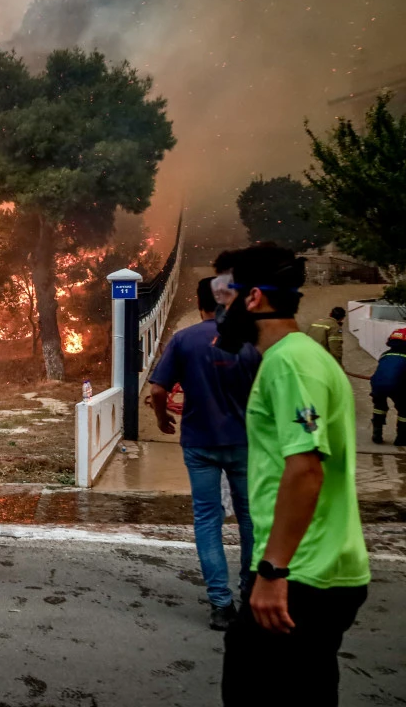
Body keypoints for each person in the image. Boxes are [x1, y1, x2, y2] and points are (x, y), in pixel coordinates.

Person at [218, 245, 369, 707]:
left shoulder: (287, 363)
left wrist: (272, 570)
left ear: (254, 298)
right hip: (322, 568)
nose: (221, 305)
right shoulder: (307, 356)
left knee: (253, 688)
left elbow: (305, 471)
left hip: (304, 572)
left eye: (226, 293)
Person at [149, 277, 259, 629]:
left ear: (200, 305)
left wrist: (163, 417)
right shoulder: (250, 341)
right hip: (244, 444)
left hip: (200, 444)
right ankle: (252, 596)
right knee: (249, 519)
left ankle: (220, 605)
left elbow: (157, 388)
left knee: (208, 521)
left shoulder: (184, 339)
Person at [370, 327, 406, 446]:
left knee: (379, 407)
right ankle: (401, 439)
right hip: (397, 385)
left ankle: (377, 434)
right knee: (404, 410)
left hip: (377, 384)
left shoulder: (385, 354)